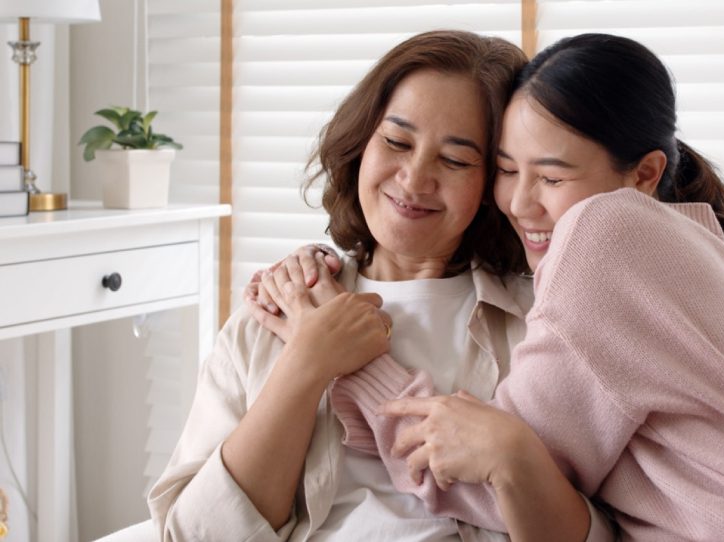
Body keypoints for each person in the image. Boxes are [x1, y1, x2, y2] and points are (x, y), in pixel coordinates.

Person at [254, 34, 724, 540]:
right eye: (505, 169)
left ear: (646, 173)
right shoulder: (681, 246)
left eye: (551, 177)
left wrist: (345, 354)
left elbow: (481, 480)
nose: (520, 203)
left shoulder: (605, 237)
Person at [148, 30, 616, 542]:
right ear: (361, 143)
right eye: (396, 142)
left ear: (494, 183)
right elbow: (193, 535)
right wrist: (306, 363)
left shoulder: (545, 326)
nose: (414, 180)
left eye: (456, 160)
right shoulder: (277, 308)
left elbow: (599, 527)